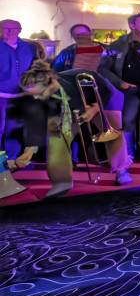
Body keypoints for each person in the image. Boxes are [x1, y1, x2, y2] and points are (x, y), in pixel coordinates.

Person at [19, 61, 133, 197]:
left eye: (38, 93)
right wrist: (29, 149)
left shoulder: (70, 87)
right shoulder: (41, 96)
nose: (36, 97)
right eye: (32, 94)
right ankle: (62, 180)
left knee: (112, 132)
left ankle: (121, 170)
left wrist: (93, 110)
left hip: (104, 95)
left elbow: (97, 101)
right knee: (56, 135)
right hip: (72, 104)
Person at [98, 13, 140, 162]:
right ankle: (128, 152)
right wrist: (119, 83)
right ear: (132, 26)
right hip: (129, 89)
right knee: (127, 119)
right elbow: (103, 68)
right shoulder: (118, 45)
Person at [1, 19, 42, 160]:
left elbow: (36, 68)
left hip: (21, 95)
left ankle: (11, 160)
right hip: (1, 95)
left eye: (14, 28)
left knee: (13, 130)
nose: (10, 31)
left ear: (20, 30)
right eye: (5, 28)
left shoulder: (31, 47)